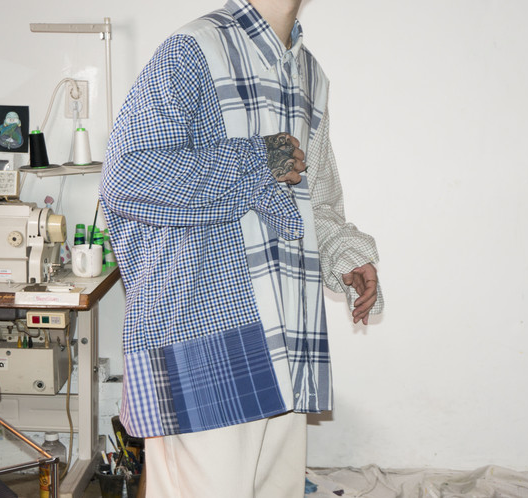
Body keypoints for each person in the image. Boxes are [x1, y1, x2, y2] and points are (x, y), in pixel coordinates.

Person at [99, 0, 383, 495]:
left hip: (287, 338)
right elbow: (129, 177)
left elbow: (315, 197)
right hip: (203, 334)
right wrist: (257, 159)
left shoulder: (309, 74)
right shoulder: (193, 50)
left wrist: (344, 252)